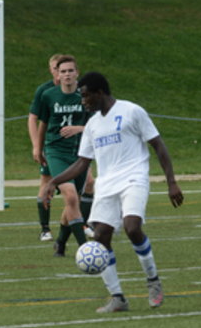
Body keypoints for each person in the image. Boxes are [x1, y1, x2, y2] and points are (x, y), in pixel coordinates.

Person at [42, 71, 184, 313]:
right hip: (106, 186)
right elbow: (82, 163)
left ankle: (153, 281)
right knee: (100, 238)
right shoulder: (92, 125)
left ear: (100, 93)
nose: (83, 102)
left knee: (132, 227)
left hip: (133, 179)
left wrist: (171, 182)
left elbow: (158, 145)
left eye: (86, 96)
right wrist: (53, 182)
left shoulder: (132, 111)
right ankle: (118, 297)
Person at [36, 55, 90, 256]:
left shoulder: (85, 95)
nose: (67, 74)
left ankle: (60, 241)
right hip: (56, 152)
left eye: (70, 71)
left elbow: (97, 124)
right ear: (57, 74)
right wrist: (38, 148)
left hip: (80, 154)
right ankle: (85, 248)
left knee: (73, 201)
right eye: (63, 71)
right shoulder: (49, 95)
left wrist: (79, 128)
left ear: (77, 73)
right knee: (70, 195)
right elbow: (43, 124)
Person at [28, 54, 62, 241]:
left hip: (74, 146)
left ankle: (83, 224)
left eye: (64, 69)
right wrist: (37, 146)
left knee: (88, 183)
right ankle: (45, 229)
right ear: (51, 70)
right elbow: (34, 119)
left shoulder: (78, 90)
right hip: (52, 145)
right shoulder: (45, 91)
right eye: (56, 68)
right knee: (46, 183)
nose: (60, 72)